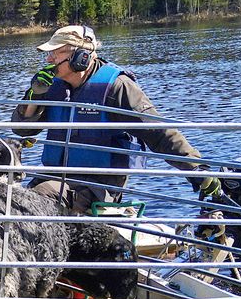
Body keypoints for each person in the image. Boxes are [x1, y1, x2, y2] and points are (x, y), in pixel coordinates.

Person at [12, 24, 220, 214]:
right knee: (10, 199)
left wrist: (196, 168)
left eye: (56, 54)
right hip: (53, 178)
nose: (49, 60)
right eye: (49, 54)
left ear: (81, 56)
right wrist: (36, 94)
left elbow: (158, 132)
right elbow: (22, 130)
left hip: (96, 187)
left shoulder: (117, 86)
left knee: (38, 197)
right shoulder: (51, 86)